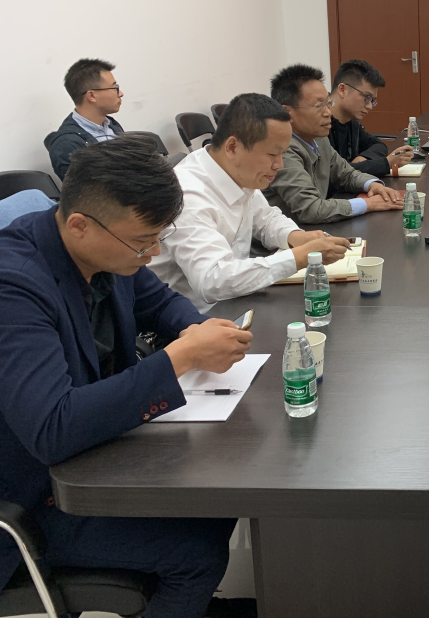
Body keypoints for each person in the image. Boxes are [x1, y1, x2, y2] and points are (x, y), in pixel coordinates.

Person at [0, 136, 253, 617]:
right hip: (34, 497)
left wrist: (195, 331)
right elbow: (52, 428)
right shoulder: (13, 286)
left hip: (99, 454)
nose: (152, 253)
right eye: (143, 243)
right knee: (197, 551)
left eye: (158, 238)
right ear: (79, 224)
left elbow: (160, 303)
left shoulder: (106, 246)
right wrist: (179, 359)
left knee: (222, 494)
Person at [150, 93, 351, 311]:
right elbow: (212, 281)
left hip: (238, 300)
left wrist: (295, 236)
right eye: (273, 154)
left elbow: (266, 218)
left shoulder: (235, 169)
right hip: (197, 316)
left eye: (283, 154)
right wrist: (299, 257)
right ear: (232, 147)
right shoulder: (188, 196)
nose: (279, 165)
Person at [263, 64, 403, 223]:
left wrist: (373, 185)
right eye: (318, 106)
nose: (328, 112)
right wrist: (368, 203)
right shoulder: (281, 151)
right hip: (287, 236)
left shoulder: (319, 139)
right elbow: (311, 209)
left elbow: (346, 174)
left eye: (328, 103)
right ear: (287, 113)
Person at [329, 58, 414, 177]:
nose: (369, 106)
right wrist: (386, 164)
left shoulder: (351, 122)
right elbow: (332, 173)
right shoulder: (318, 126)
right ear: (343, 89)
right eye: (367, 97)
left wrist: (360, 161)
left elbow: (378, 146)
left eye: (372, 100)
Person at [44, 58, 126, 180]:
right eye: (115, 88)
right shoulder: (67, 144)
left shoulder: (112, 125)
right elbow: (88, 189)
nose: (120, 93)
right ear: (91, 96)